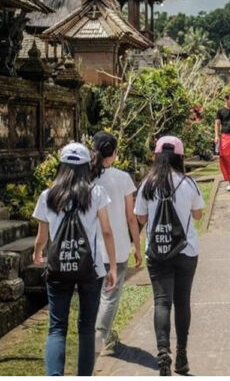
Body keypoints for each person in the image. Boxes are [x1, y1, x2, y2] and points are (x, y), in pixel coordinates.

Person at [32, 142, 117, 376]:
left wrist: (38, 253)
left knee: (57, 327)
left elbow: (42, 235)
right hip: (90, 268)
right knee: (86, 328)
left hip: (58, 267)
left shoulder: (48, 195)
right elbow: (107, 231)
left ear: (61, 165)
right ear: (86, 166)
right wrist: (112, 266)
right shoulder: (96, 192)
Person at [134, 136, 204, 376]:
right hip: (185, 250)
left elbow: (141, 218)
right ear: (180, 157)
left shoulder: (147, 184)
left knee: (162, 302)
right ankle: (182, 355)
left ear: (157, 156)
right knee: (182, 301)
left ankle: (162, 351)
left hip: (157, 251)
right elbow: (198, 215)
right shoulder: (188, 183)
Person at [91, 131, 142, 356]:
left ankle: (102, 334)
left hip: (92, 249)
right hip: (118, 248)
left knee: (97, 295)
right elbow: (131, 217)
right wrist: (137, 246)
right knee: (110, 296)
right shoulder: (122, 178)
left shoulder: (86, 178)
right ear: (114, 153)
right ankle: (100, 337)